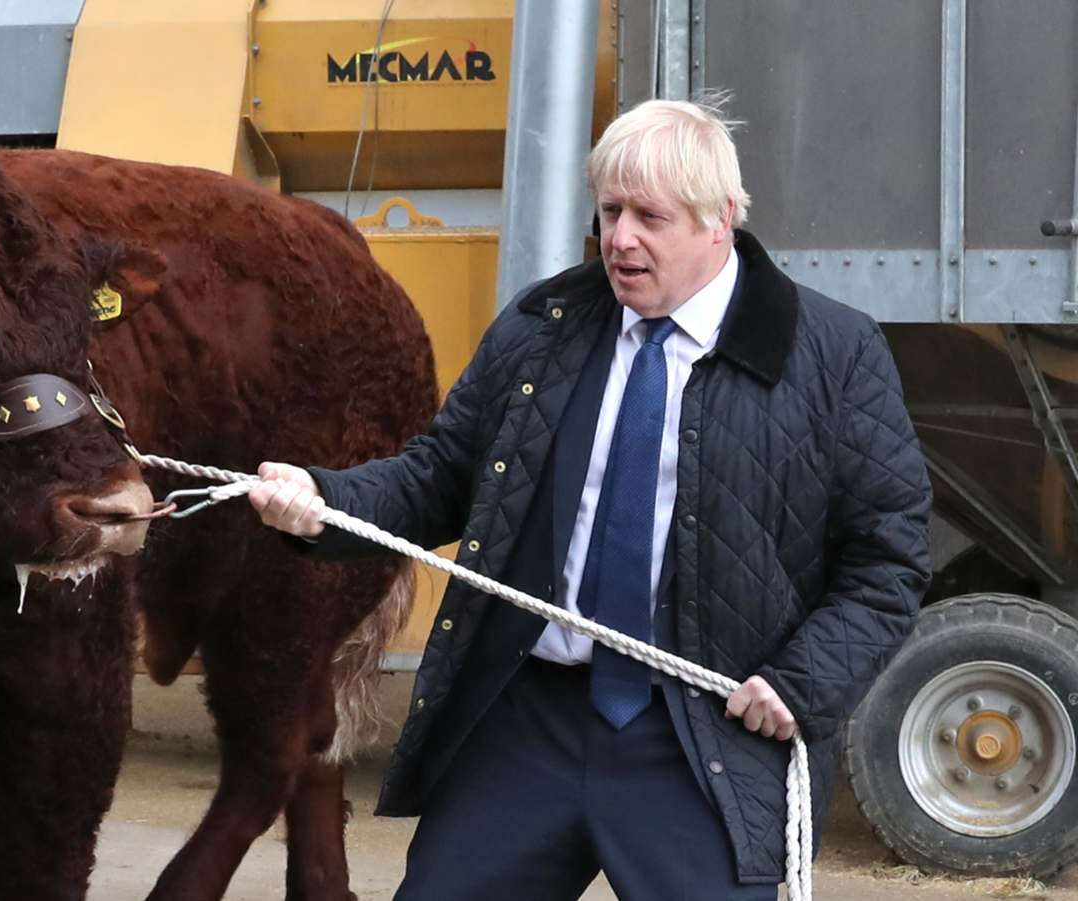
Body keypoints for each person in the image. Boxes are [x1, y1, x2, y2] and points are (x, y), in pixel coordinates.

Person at [250, 99, 931, 899]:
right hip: (528, 718)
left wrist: (801, 682)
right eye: (609, 211)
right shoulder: (545, 325)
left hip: (704, 738)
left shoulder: (833, 354)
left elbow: (888, 562)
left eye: (650, 216)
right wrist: (322, 499)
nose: (620, 239)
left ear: (721, 220)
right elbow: (437, 477)